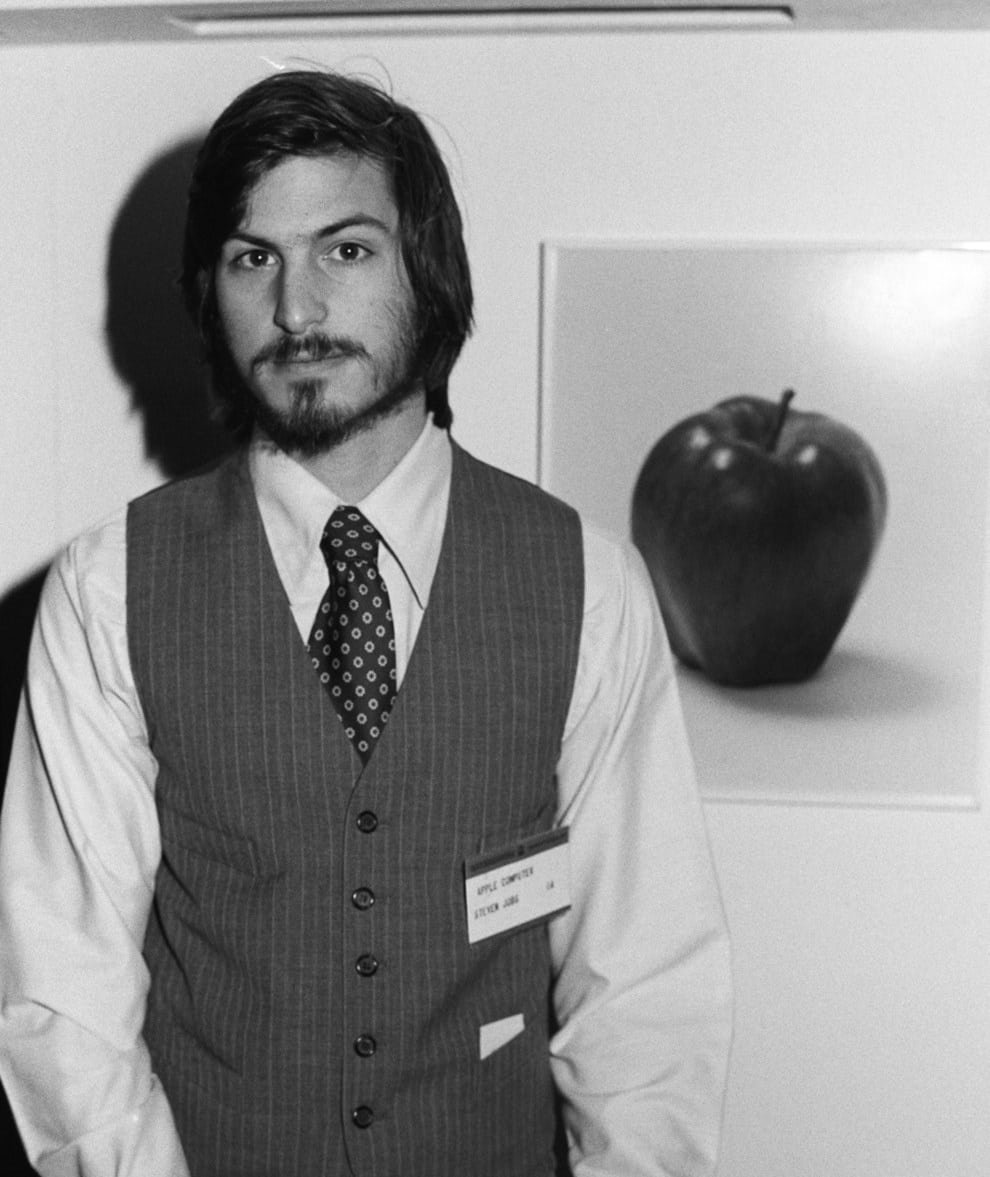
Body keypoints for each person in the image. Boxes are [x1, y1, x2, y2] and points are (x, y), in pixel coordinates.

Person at [0, 69, 732, 1177]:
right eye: (254, 258)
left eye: (346, 249)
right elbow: (65, 993)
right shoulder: (108, 589)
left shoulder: (590, 581)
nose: (297, 309)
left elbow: (646, 985)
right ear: (209, 292)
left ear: (426, 272)